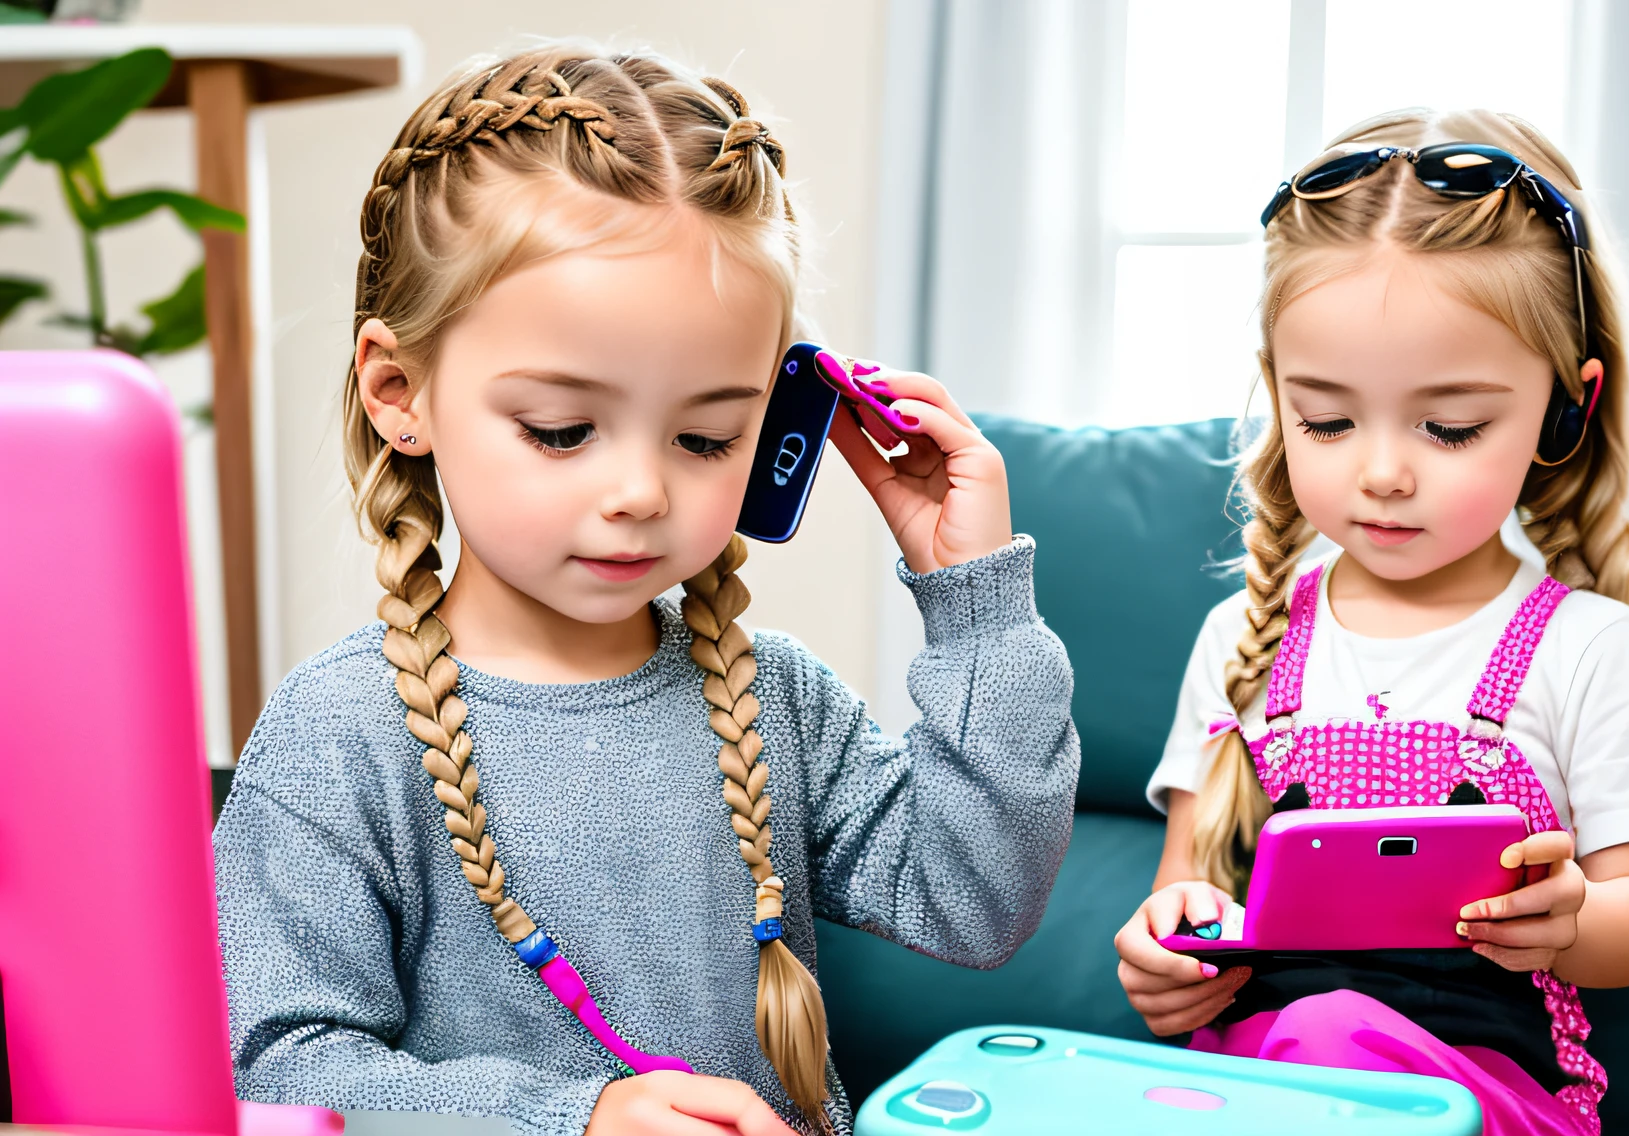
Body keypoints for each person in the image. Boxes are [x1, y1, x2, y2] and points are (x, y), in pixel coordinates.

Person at [213, 45, 1078, 1136]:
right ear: (400, 393)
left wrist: (975, 602)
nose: (637, 490)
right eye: (562, 429)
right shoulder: (338, 733)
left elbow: (977, 904)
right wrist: (571, 1116)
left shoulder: (781, 701)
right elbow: (277, 1069)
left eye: (706, 435)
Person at [1113, 108, 1629, 1136]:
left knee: (1335, 1032)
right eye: (1327, 420)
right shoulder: (1238, 640)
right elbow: (1185, 892)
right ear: (1276, 397)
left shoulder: (1582, 646)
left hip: (1480, 1094)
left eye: (1449, 425)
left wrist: (1567, 920)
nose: (1381, 471)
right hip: (1251, 1085)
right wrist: (1166, 952)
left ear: (1564, 409)